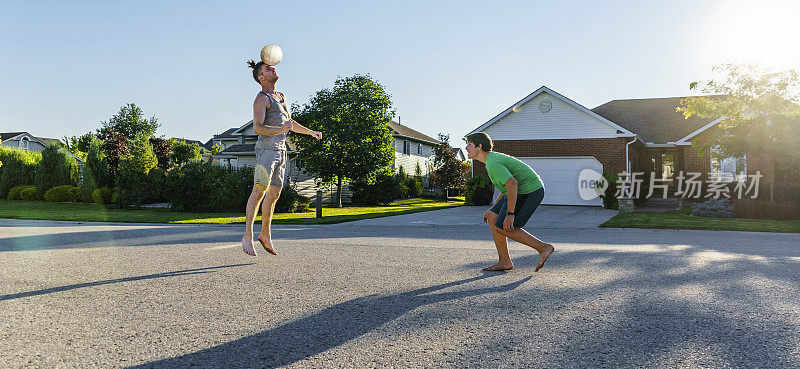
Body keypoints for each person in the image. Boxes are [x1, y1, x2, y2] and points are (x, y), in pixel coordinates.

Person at [242, 59, 322, 256]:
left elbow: (289, 123)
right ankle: (247, 236)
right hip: (266, 151)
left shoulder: (281, 96)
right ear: (261, 77)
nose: (273, 69)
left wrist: (310, 132)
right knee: (259, 192)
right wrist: (280, 128)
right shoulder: (261, 98)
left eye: (272, 67)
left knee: (275, 194)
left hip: (281, 151)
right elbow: (257, 127)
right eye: (268, 69)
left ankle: (265, 234)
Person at [464, 132, 554, 272]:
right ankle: (504, 261)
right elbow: (505, 187)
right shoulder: (491, 161)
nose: (466, 148)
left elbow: (512, 184)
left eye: (469, 144)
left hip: (530, 191)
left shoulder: (493, 162)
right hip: (520, 190)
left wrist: (510, 213)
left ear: (479, 146)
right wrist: (494, 209)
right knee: (492, 217)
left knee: (502, 226)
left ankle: (543, 247)